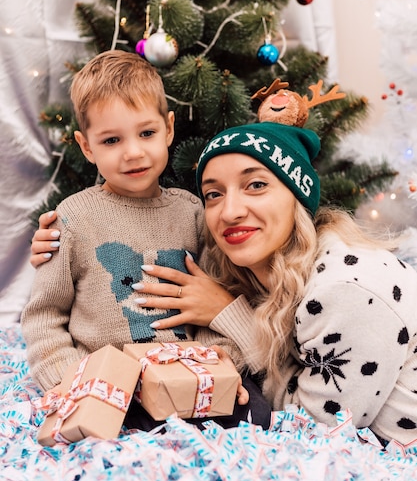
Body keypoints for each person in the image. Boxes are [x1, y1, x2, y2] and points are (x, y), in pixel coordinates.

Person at [31, 119, 417, 446]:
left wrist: (227, 314)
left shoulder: (349, 291)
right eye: (213, 194)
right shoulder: (262, 269)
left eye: (256, 185)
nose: (230, 211)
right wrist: (57, 245)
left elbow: (313, 428)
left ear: (297, 196)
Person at [22, 49, 259, 428]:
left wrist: (221, 363)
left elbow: (216, 302)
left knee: (255, 413)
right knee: (108, 434)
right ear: (87, 147)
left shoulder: (193, 213)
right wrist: (69, 380)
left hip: (187, 380)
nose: (133, 153)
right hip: (110, 388)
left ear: (168, 129)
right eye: (112, 140)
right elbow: (45, 315)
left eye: (146, 133)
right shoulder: (73, 218)